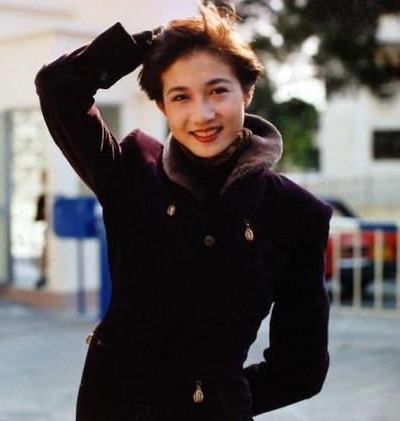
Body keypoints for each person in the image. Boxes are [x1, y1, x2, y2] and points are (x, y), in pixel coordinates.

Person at [35, 3, 332, 420]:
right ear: (162, 106)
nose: (202, 114)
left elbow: (302, 368)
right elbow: (57, 87)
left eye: (218, 91)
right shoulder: (131, 173)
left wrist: (222, 397)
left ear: (246, 92)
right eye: (180, 96)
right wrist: (151, 43)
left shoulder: (295, 213)